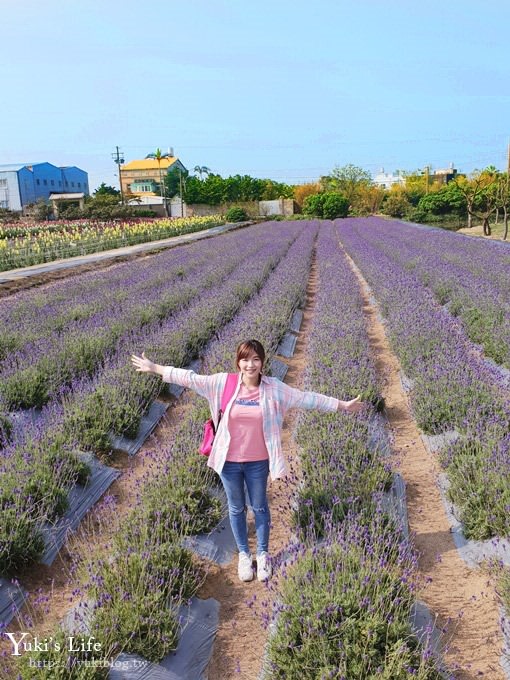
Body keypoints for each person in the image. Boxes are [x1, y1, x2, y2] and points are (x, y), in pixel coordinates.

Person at [130, 339, 364, 583]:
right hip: (228, 462)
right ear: (238, 362)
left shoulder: (273, 389)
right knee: (236, 508)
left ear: (262, 361)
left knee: (260, 506)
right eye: (245, 359)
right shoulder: (223, 383)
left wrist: (342, 406)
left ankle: (262, 555)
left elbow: (306, 398)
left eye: (255, 359)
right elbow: (189, 378)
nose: (250, 364)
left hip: (258, 462)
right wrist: (155, 368)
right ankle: (244, 554)